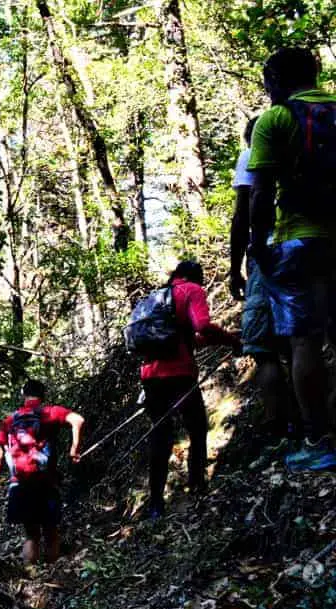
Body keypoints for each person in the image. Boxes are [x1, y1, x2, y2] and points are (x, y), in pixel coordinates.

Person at [247, 46, 336, 471]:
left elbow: (261, 192)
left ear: (275, 79)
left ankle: (318, 439)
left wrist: (258, 246)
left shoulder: (277, 118)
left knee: (304, 341)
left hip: (297, 240)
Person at [140, 261, 241, 519]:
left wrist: (218, 340)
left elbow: (186, 339)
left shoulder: (157, 297)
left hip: (150, 376)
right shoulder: (191, 290)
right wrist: (231, 340)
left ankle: (155, 504)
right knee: (196, 427)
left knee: (160, 435)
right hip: (180, 375)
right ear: (195, 277)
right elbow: (203, 326)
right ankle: (197, 483)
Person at [229, 115, 295, 457]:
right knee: (303, 338)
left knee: (263, 347)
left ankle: (278, 425)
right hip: (309, 244)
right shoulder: (303, 148)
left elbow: (244, 212)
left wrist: (235, 266)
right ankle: (314, 419)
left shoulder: (252, 153)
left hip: (268, 253)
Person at [0, 379, 84, 564]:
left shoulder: (10, 421)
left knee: (31, 535)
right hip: (46, 483)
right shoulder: (50, 412)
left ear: (23, 395)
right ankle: (51, 577)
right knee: (51, 533)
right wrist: (74, 449)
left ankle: (30, 580)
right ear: (43, 395)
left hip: (19, 484)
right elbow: (78, 420)